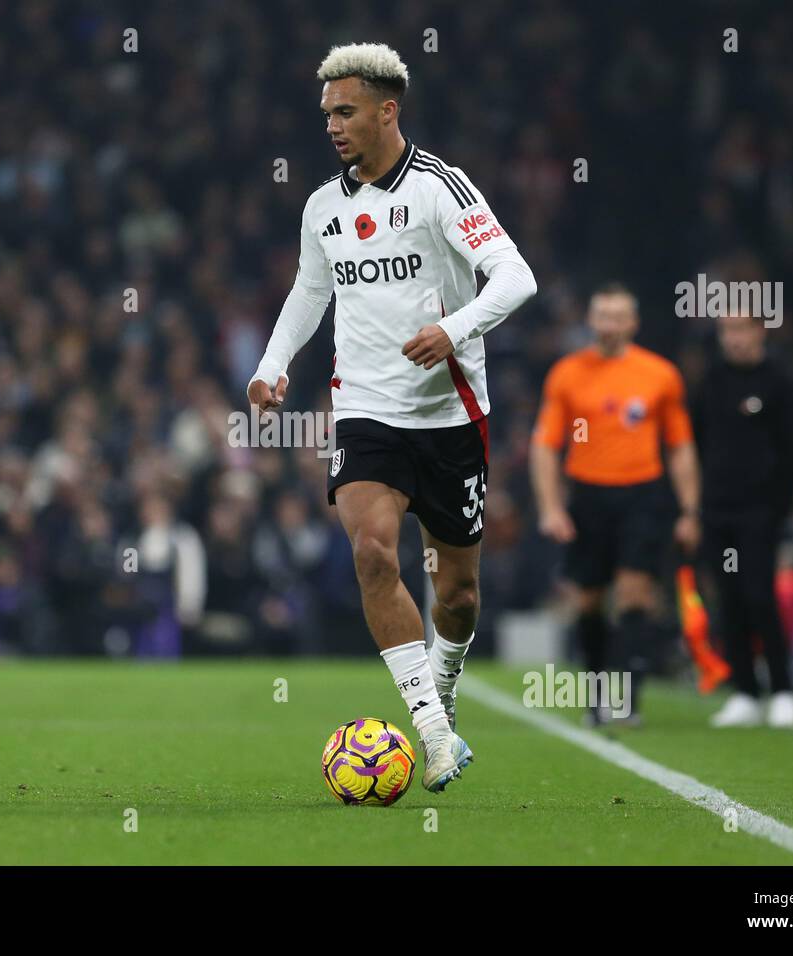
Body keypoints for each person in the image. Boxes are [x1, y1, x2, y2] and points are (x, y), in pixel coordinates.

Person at [247, 43, 537, 791]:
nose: (333, 126)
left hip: (450, 414)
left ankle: (443, 684)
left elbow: (515, 276)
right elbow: (311, 293)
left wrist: (456, 328)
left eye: (345, 112)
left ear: (387, 110)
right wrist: (271, 366)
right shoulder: (323, 206)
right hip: (366, 411)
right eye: (326, 115)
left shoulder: (441, 188)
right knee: (373, 552)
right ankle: (434, 735)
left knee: (459, 596)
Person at [530, 283, 700, 723]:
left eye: (617, 316)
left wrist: (689, 509)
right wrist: (551, 507)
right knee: (587, 601)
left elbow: (680, 446)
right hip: (588, 494)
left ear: (633, 322)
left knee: (633, 595)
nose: (609, 324)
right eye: (602, 315)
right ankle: (595, 695)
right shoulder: (567, 373)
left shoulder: (660, 375)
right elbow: (546, 445)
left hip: (643, 494)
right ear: (591, 320)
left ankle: (628, 698)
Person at [691, 312, 793, 727]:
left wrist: (778, 503)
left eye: (742, 329)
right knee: (728, 600)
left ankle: (783, 689)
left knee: (761, 595)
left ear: (760, 331)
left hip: (761, 511)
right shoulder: (711, 382)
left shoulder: (780, 381)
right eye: (728, 331)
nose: (735, 339)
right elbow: (695, 442)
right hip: (718, 510)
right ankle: (744, 691)